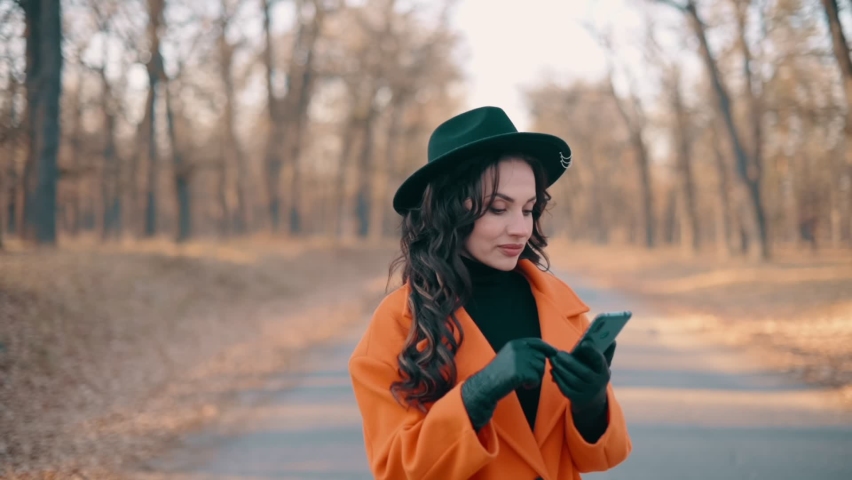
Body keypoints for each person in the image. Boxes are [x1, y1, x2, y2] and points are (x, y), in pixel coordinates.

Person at [348, 106, 631, 480]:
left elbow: (601, 457)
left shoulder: (562, 307)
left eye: (529, 209)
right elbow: (397, 470)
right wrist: (476, 395)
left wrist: (591, 403)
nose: (520, 228)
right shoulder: (398, 324)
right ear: (448, 211)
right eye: (498, 208)